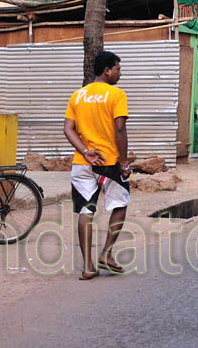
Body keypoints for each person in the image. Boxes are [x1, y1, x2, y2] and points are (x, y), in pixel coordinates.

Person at [64, 50, 131, 280]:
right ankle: (106, 254)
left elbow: (68, 129)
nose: (120, 74)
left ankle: (88, 266)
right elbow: (120, 129)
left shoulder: (77, 95)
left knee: (85, 211)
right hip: (109, 161)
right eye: (118, 69)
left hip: (82, 162)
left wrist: (84, 151)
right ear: (107, 70)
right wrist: (124, 161)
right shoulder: (116, 94)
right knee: (120, 204)